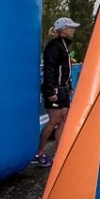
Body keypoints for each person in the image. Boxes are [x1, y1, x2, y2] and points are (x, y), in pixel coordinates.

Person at [33, 17, 80, 167]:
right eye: (71, 27)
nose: (73, 30)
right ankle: (38, 153)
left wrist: (69, 86)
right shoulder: (54, 46)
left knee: (64, 120)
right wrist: (50, 90)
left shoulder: (64, 46)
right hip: (55, 89)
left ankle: (59, 154)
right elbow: (49, 69)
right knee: (54, 121)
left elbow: (65, 70)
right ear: (63, 30)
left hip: (64, 89)